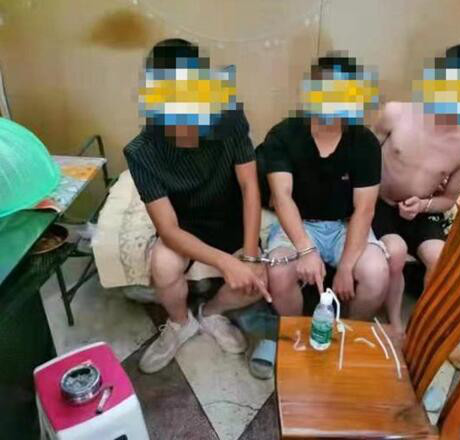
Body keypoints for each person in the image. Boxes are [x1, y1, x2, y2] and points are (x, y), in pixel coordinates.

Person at [124, 39, 270, 374]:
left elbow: (249, 186)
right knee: (162, 264)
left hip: (230, 219)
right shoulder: (142, 151)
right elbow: (168, 229)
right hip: (185, 225)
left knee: (261, 277)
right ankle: (180, 323)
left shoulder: (229, 117)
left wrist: (249, 255)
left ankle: (211, 313)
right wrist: (224, 262)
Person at [373, 44, 460, 335]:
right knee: (395, 250)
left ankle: (422, 327)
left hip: (423, 210)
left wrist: (423, 205)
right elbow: (363, 159)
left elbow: (449, 198)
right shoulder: (397, 113)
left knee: (441, 260)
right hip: (381, 203)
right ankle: (394, 322)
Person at [261, 54, 389, 319]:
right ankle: (295, 334)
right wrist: (306, 250)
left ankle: (349, 333)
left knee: (376, 274)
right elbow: (282, 197)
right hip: (299, 223)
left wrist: (346, 267)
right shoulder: (283, 135)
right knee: (279, 272)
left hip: (345, 225)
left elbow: (364, 209)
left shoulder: (364, 142)